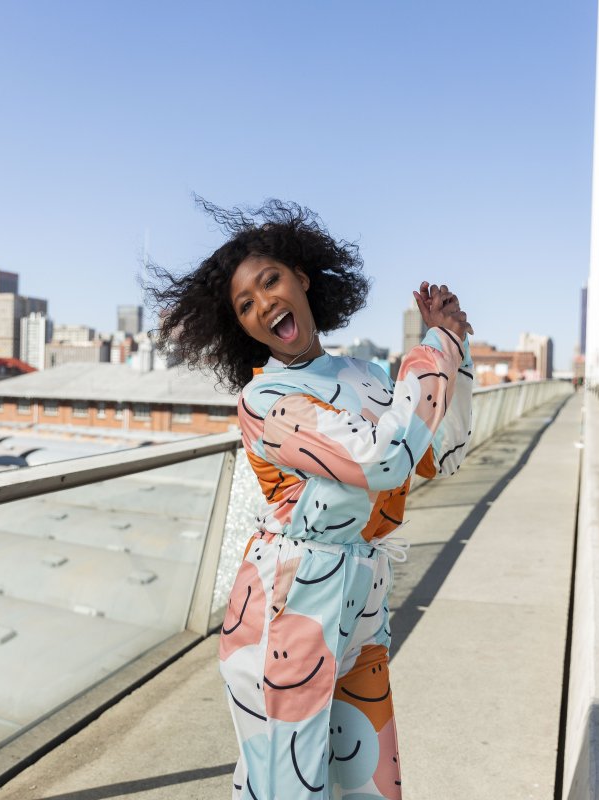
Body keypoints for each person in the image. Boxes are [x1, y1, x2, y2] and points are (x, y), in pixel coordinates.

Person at [149, 199, 474, 799]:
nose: (263, 303)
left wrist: (456, 348)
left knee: (372, 783)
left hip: (362, 606)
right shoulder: (265, 402)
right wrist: (436, 352)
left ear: (302, 277)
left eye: (270, 281)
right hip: (289, 609)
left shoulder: (366, 374)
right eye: (245, 305)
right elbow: (382, 459)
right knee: (289, 789)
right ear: (238, 328)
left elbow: (439, 453)